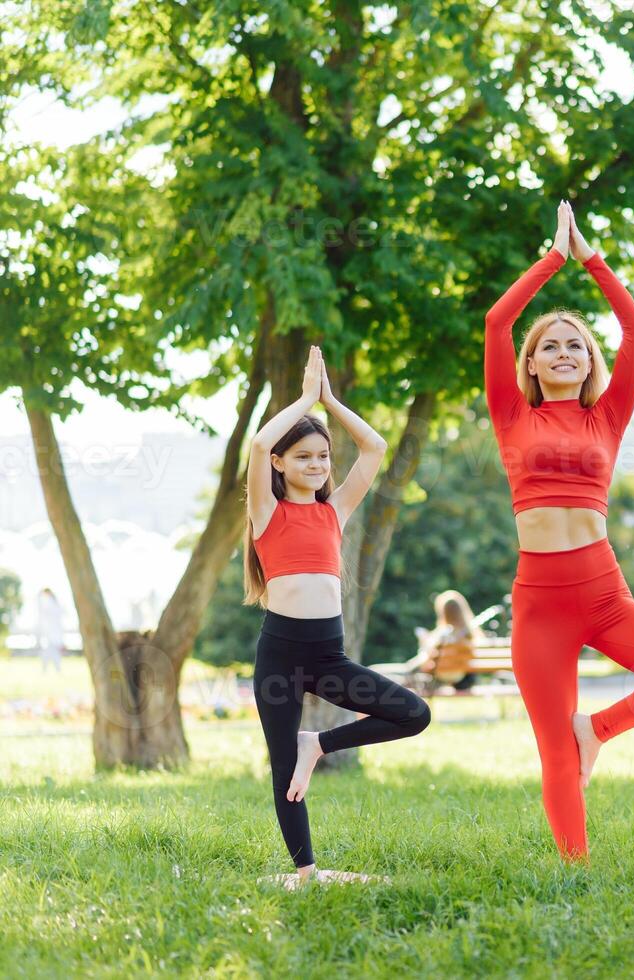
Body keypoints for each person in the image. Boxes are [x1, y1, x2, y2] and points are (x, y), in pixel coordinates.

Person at [484, 200, 634, 862]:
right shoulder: (510, 414)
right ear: (530, 366)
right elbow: (499, 321)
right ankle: (576, 873)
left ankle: (599, 730)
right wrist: (554, 259)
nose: (563, 352)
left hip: (602, 592)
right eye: (549, 346)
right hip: (540, 605)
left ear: (591, 363)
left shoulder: (607, 418)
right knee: (554, 756)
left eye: (575, 346)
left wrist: (593, 258)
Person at [245, 345, 432, 888]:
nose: (317, 465)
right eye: (303, 456)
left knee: (413, 714)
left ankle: (317, 744)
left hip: (328, 656)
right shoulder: (266, 513)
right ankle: (307, 872)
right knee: (284, 772)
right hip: (280, 655)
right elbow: (258, 444)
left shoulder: (335, 510)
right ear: (280, 464)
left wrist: (329, 400)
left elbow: (373, 446)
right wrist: (304, 398)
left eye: (323, 457)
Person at [402, 590, 484, 694]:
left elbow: (428, 655)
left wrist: (424, 641)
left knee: (420, 664)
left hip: (440, 677)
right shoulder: (470, 633)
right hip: (463, 680)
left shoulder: (441, 634)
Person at [34, 587, 65, 674]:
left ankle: (51, 669)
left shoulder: (51, 603)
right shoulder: (49, 602)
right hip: (50, 632)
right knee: (50, 652)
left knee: (51, 652)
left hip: (53, 632)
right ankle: (52, 669)